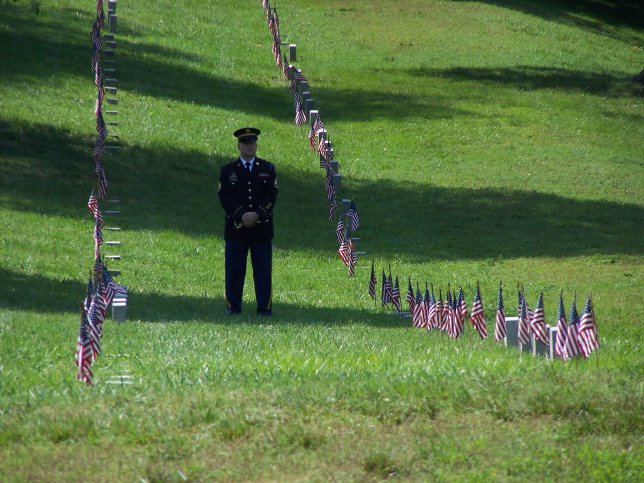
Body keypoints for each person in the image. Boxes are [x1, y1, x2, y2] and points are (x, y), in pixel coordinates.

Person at [218, 127, 278, 316]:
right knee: (234, 270)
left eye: (252, 142)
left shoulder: (267, 169)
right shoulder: (228, 170)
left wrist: (257, 214)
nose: (249, 146)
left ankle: (264, 308)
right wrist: (241, 214)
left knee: (262, 271)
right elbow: (224, 197)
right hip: (236, 228)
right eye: (245, 143)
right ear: (239, 146)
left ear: (256, 145)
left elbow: (271, 195)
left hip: (261, 228)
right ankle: (233, 307)